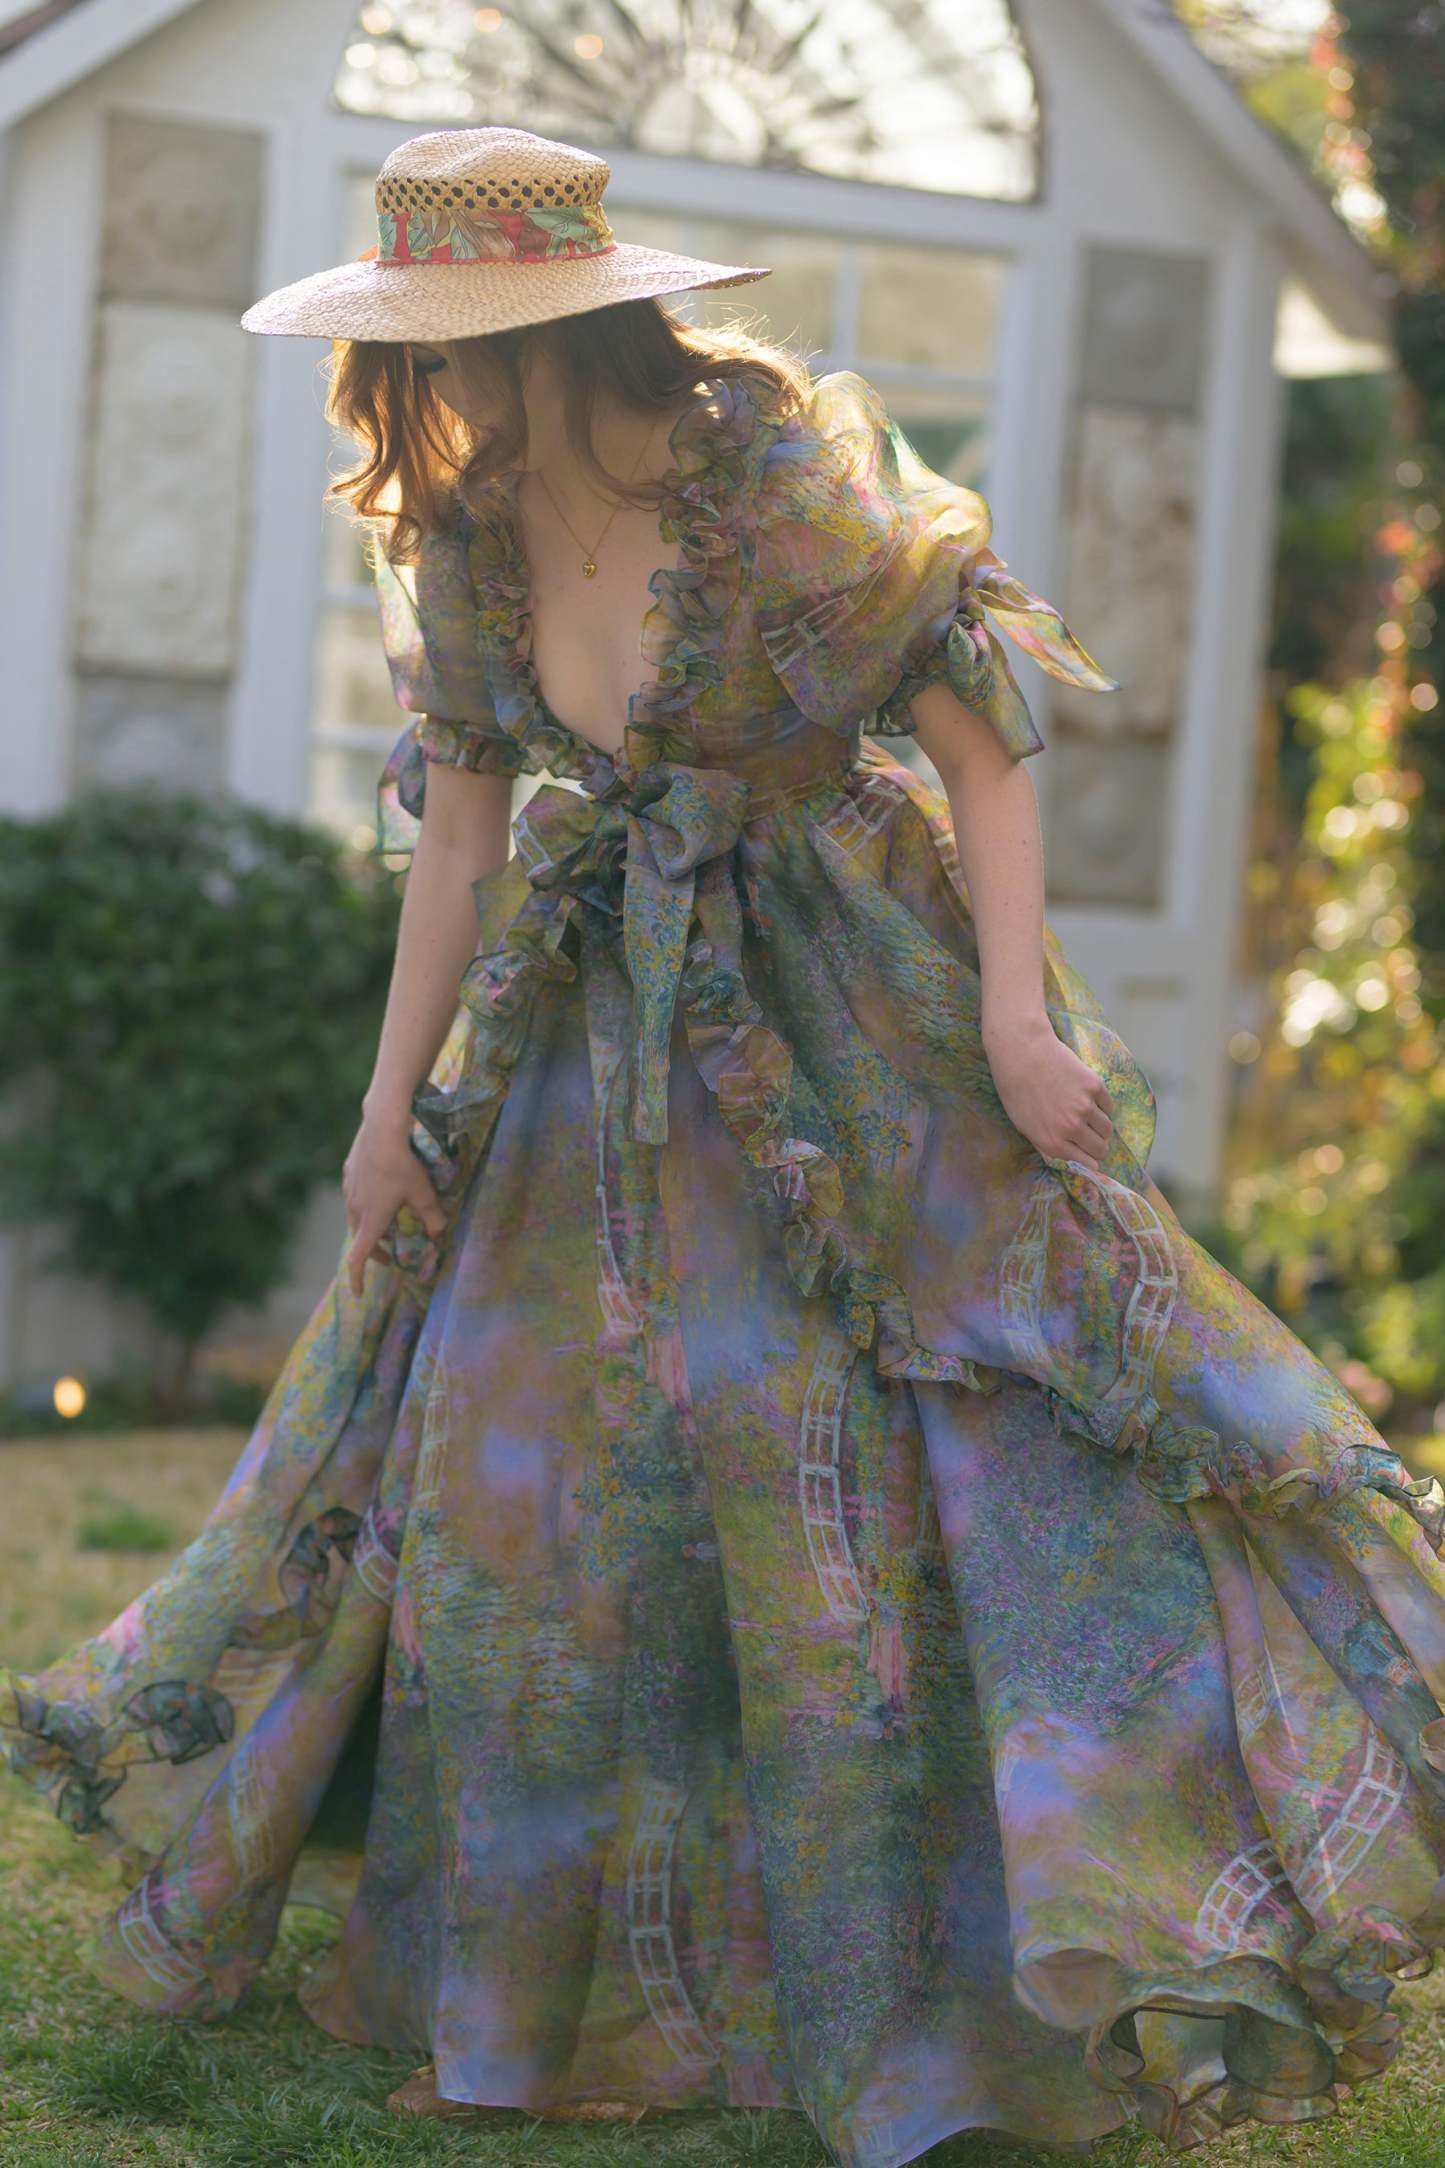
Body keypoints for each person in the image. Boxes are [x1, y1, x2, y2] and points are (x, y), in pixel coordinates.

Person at [6, 123, 1445, 2168]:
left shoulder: (771, 486)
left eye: (456, 341)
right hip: (592, 1024)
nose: (430, 382)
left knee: (851, 1476)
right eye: (415, 346)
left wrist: (1015, 1019)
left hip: (845, 1010)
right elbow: (464, 845)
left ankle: (940, 1965)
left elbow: (982, 750)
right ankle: (526, 1992)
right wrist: (384, 1113)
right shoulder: (468, 534)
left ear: (557, 326)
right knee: (519, 1499)